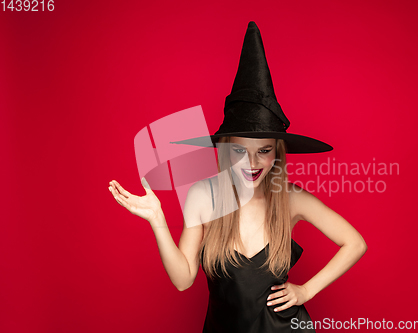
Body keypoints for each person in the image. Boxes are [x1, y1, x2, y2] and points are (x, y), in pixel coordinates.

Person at [108, 22, 367, 333]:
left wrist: (306, 291)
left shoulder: (289, 197)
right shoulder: (204, 196)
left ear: (277, 153)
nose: (253, 162)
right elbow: (183, 279)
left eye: (264, 150)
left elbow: (354, 243)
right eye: (240, 151)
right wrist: (157, 219)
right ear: (225, 150)